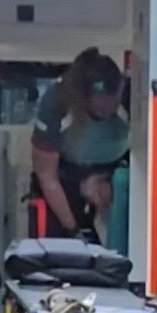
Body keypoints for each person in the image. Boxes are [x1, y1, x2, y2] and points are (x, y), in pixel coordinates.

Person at [29, 48, 130, 242]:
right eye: (101, 105)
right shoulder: (58, 100)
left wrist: (113, 185)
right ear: (84, 97)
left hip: (111, 174)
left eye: (114, 103)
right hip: (62, 184)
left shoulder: (132, 97)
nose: (108, 109)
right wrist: (74, 231)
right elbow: (46, 175)